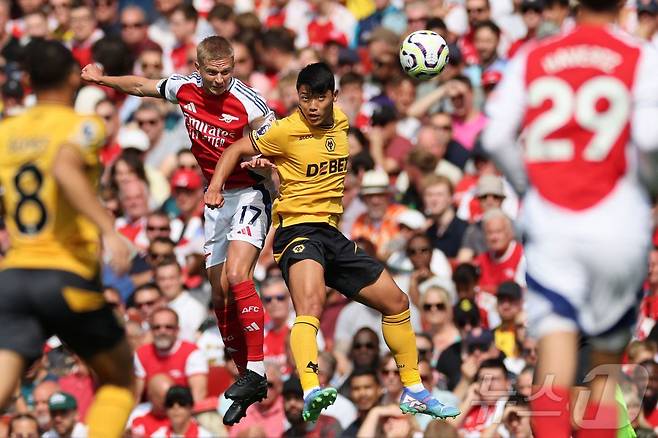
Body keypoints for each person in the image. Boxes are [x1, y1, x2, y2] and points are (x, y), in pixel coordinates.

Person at [204, 62, 460, 422]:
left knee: (397, 301)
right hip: (296, 231)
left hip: (332, 233)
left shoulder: (340, 121)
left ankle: (414, 389)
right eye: (304, 98)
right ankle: (311, 388)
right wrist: (216, 187)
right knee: (310, 305)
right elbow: (234, 151)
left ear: (333, 98)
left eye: (319, 98)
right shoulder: (285, 130)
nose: (310, 106)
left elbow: (384, 117)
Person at [482, 0, 658, 436]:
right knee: (604, 361)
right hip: (616, 220)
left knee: (554, 356)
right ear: (622, 5)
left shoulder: (535, 55)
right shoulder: (640, 55)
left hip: (554, 220)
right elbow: (652, 142)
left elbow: (495, 136)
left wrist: (530, 188)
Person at [81, 35, 276, 424]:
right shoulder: (183, 88)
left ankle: (257, 368)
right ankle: (246, 377)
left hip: (247, 194)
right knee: (219, 297)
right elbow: (139, 85)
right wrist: (103, 80)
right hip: (213, 199)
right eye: (213, 73)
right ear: (198, 69)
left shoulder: (251, 102)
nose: (221, 80)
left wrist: (263, 162)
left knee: (239, 275)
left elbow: (276, 145)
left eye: (227, 71)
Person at [0, 39, 134, 438]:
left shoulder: (6, 131)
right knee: (121, 378)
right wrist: (109, 229)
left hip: (14, 277)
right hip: (64, 276)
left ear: (26, 80)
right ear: (72, 79)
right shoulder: (83, 125)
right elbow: (63, 168)